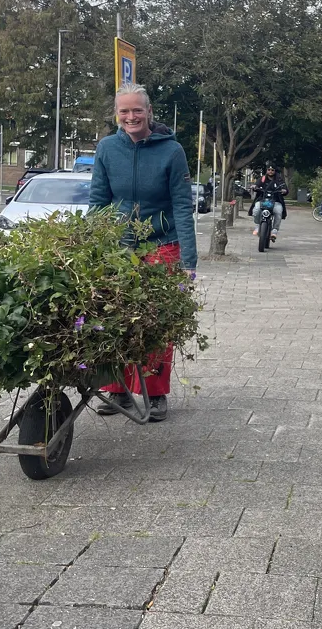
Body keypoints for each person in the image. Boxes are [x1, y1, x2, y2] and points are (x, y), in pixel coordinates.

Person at [88, 82, 197, 423]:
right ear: (116, 115)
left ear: (149, 112)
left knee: (156, 322)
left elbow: (182, 205)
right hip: (119, 247)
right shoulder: (107, 149)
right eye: (125, 111)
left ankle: (155, 393)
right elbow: (98, 202)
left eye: (138, 110)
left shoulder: (171, 151)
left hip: (162, 244)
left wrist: (188, 259)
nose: (131, 116)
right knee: (115, 317)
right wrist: (92, 245)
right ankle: (116, 387)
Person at [249, 165, 288, 241]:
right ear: (267, 171)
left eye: (272, 170)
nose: (270, 171)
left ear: (275, 171)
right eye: (269, 169)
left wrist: (284, 190)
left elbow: (285, 188)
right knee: (256, 210)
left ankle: (274, 231)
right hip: (262, 200)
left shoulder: (279, 179)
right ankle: (257, 226)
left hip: (276, 201)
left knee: (279, 211)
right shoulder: (262, 179)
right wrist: (254, 186)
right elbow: (257, 185)